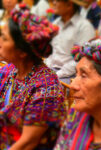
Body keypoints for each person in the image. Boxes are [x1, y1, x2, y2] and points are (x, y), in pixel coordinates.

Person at [0, 3, 66, 150]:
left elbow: (27, 143)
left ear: (22, 52)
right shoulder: (10, 70)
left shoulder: (47, 89)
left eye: (4, 38)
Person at [44, 0, 95, 84]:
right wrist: (47, 70)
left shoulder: (84, 27)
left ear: (69, 5)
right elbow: (50, 52)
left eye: (57, 0)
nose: (54, 2)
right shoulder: (56, 24)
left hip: (71, 77)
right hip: (52, 72)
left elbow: (80, 59)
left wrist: (56, 74)